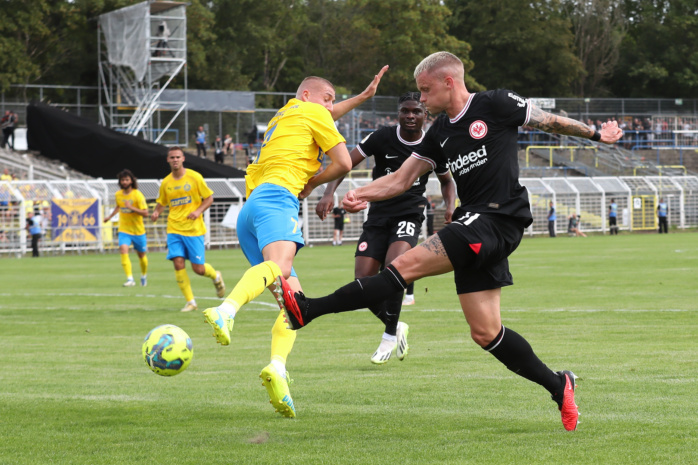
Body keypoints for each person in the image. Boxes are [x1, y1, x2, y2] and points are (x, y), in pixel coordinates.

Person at [276, 51, 623, 431]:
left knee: (401, 268)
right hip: (477, 223)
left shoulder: (496, 103)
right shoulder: (439, 132)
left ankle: (309, 310)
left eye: (425, 91)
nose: (421, 100)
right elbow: (399, 180)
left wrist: (596, 133)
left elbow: (549, 121)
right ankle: (560, 385)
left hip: (498, 217)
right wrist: (362, 194)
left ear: (448, 82)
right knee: (486, 332)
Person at [201, 66, 389, 418]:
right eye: (327, 97)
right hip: (277, 199)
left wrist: (362, 98)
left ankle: (278, 369)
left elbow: (325, 109)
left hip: (251, 209)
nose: (331, 106)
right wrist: (315, 184)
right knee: (282, 265)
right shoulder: (313, 111)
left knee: (295, 305)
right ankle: (226, 311)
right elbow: (344, 162)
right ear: (307, 96)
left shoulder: (284, 114)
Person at [315, 91, 456, 364]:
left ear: (425, 115)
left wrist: (450, 205)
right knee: (364, 283)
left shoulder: (434, 144)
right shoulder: (382, 137)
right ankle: (398, 326)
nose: (411, 116)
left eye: (416, 111)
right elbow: (345, 162)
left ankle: (389, 335)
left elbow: (447, 180)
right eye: (405, 111)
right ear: (398, 113)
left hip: (409, 213)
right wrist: (328, 192)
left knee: (394, 269)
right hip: (378, 214)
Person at [151, 147, 226, 312]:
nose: (175, 160)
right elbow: (162, 202)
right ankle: (191, 302)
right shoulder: (166, 183)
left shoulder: (194, 177)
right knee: (178, 263)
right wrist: (157, 211)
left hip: (193, 229)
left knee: (198, 269)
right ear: (168, 160)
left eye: (178, 157)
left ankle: (216, 276)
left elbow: (209, 198)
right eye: (172, 157)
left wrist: (198, 211)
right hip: (174, 228)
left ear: (183, 158)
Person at [103, 169, 150, 287]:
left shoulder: (137, 195)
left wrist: (132, 208)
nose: (124, 182)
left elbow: (145, 213)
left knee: (142, 256)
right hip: (124, 229)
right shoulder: (118, 195)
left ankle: (143, 275)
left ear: (131, 181)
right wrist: (109, 217)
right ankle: (130, 279)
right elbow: (118, 206)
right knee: (123, 250)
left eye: (127, 180)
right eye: (122, 180)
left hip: (138, 231)